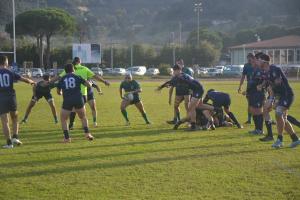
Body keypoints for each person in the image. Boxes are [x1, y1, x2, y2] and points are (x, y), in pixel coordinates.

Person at [52, 57, 110, 129]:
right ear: (80, 61)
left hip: (74, 93)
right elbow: (95, 76)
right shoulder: (84, 68)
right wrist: (104, 81)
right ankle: (86, 128)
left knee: (73, 110)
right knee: (81, 111)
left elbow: (58, 77)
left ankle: (72, 124)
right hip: (84, 94)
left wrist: (49, 82)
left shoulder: (70, 68)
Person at [258, 54, 300, 148]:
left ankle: (279, 140)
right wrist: (273, 99)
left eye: (259, 60)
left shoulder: (274, 69)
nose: (258, 62)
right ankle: (295, 139)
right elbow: (272, 89)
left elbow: (278, 83)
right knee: (283, 119)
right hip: (280, 97)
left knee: (278, 113)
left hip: (287, 95)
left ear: (264, 61)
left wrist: (267, 86)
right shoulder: (266, 72)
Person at [157, 64, 215, 131]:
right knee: (199, 105)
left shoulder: (182, 76)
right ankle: (216, 109)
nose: (173, 72)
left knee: (191, 108)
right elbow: (171, 82)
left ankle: (193, 126)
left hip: (198, 90)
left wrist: (164, 86)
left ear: (178, 70)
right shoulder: (180, 76)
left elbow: (175, 82)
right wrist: (162, 86)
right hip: (197, 89)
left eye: (174, 71)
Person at [0, 55, 35, 148]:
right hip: (11, 97)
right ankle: (15, 137)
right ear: (5, 62)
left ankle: (9, 143)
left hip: (1, 98)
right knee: (15, 118)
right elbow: (23, 79)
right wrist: (31, 82)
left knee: (4, 121)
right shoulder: (10, 71)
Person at [57, 63, 93, 143]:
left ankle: (67, 138)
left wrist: (63, 92)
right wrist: (90, 83)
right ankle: (87, 134)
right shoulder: (77, 76)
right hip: (78, 99)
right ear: (73, 69)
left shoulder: (62, 78)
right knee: (83, 117)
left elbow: (58, 92)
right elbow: (88, 85)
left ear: (65, 71)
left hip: (67, 100)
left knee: (63, 119)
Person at [167, 58, 191, 124]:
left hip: (187, 91)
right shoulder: (175, 71)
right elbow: (172, 85)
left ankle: (189, 120)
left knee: (187, 106)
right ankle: (176, 119)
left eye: (179, 63)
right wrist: (170, 97)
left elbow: (191, 81)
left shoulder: (187, 70)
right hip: (179, 91)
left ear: (182, 64)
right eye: (177, 63)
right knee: (176, 105)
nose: (178, 64)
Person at [238, 53, 255, 124]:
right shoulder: (246, 65)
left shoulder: (257, 65)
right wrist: (240, 86)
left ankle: (267, 119)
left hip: (257, 87)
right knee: (250, 103)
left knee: (261, 104)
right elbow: (243, 76)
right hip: (249, 86)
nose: (248, 60)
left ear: (253, 58)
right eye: (247, 58)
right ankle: (249, 119)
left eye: (249, 58)